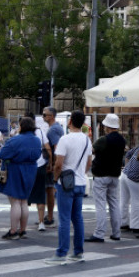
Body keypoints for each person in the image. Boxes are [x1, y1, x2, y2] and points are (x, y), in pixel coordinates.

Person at [46, 110, 93, 264]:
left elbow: (59, 164)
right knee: (77, 218)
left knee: (64, 219)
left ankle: (61, 253)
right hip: (80, 182)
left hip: (66, 184)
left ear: (70, 121)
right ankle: (78, 252)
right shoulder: (87, 140)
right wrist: (80, 174)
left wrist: (55, 179)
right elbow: (89, 163)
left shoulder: (65, 139)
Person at [0, 116, 41, 240]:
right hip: (31, 170)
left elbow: (2, 154)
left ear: (21, 126)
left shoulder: (15, 140)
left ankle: (13, 231)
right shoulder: (37, 140)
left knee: (15, 201)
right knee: (24, 201)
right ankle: (23, 230)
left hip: (15, 170)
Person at [87, 113, 124, 243]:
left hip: (101, 175)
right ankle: (116, 233)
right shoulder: (122, 140)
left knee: (101, 205)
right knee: (114, 204)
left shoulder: (103, 140)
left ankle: (99, 233)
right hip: (115, 175)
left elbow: (92, 150)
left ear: (107, 126)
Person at [42, 106, 65, 226]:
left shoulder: (53, 130)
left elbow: (56, 148)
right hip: (52, 163)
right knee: (50, 189)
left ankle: (50, 216)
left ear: (51, 116)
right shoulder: (57, 128)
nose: (43, 117)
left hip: (50, 164)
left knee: (49, 189)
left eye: (44, 115)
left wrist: (53, 165)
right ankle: (49, 215)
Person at [120, 142, 139, 234]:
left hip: (124, 174)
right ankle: (136, 226)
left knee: (124, 200)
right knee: (136, 201)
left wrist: (128, 167)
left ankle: (123, 223)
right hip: (135, 177)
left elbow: (128, 154)